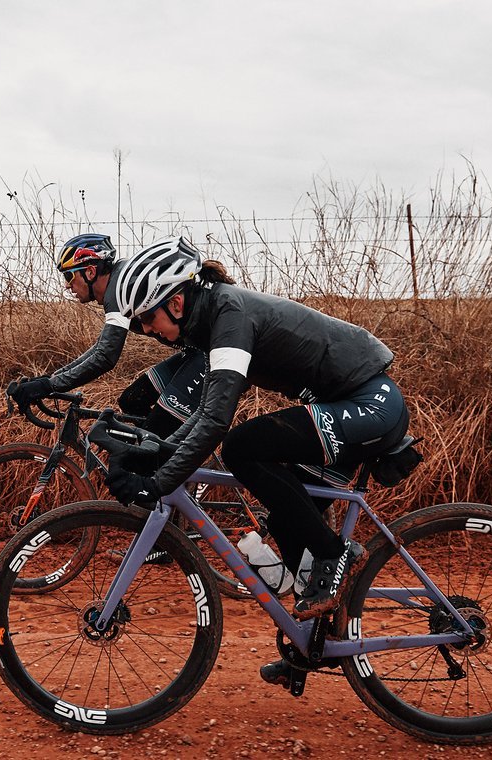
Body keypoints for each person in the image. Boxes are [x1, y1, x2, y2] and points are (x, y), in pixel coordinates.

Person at [101, 236, 409, 686]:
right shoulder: (215, 322)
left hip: (369, 404)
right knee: (288, 520)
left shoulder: (229, 316)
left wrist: (158, 483)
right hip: (348, 405)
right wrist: (159, 451)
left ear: (179, 301)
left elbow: (216, 425)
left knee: (243, 448)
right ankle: (315, 643)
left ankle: (336, 554)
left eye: (147, 317)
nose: (146, 330)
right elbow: (204, 413)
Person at [9, 233, 211, 438]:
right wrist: (50, 380)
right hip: (196, 352)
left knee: (152, 442)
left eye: (68, 276)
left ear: (89, 271)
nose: (66, 285)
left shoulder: (118, 288)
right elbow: (100, 347)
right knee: (132, 401)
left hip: (210, 354)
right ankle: (172, 454)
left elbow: (105, 357)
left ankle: (173, 460)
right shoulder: (118, 284)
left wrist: (49, 385)